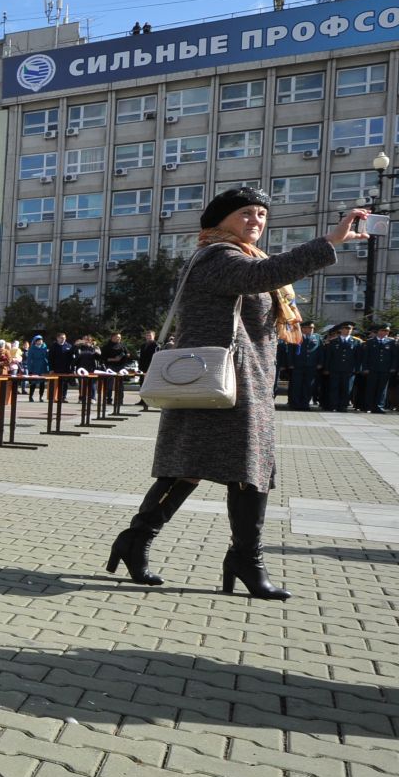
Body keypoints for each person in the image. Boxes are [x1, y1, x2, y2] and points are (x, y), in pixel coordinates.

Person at [106, 187, 361, 595]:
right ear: (219, 220)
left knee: (202, 468)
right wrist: (329, 242)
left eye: (261, 214)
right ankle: (240, 559)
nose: (256, 220)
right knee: (238, 472)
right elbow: (262, 277)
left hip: (238, 383)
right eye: (245, 213)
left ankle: (144, 543)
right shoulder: (218, 257)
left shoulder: (238, 256)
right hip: (223, 382)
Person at [321, 321, 360, 412]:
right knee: (334, 388)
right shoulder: (333, 341)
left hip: (349, 370)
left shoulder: (356, 342)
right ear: (341, 330)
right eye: (346, 328)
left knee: (346, 389)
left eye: (349, 329)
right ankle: (333, 405)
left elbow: (358, 357)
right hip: (335, 369)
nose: (348, 330)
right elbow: (329, 357)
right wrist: (326, 368)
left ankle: (343, 406)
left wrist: (358, 369)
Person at [364, 324, 396, 413]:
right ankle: (369, 406)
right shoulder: (370, 342)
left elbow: (394, 356)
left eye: (387, 331)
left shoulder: (391, 342)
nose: (385, 333)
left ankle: (379, 406)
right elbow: (366, 356)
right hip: (372, 369)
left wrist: (393, 367)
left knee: (382, 389)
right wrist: (365, 367)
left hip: (385, 369)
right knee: (371, 388)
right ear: (378, 331)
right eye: (383, 330)